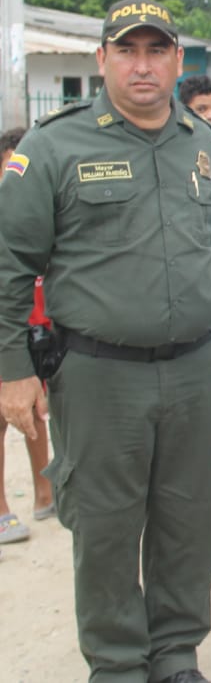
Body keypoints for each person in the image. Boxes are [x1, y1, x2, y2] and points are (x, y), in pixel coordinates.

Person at [0, 0, 211, 682]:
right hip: (100, 376)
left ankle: (176, 654)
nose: (142, 64)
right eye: (127, 50)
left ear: (178, 62)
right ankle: (120, 664)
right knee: (104, 530)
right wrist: (13, 369)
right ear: (101, 60)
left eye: (157, 50)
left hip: (192, 371)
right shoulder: (52, 146)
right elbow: (11, 264)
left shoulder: (205, 143)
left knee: (188, 523)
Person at [0, 128, 55, 545]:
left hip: (36, 329)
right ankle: (1, 510)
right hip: (6, 330)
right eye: (13, 165)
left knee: (36, 415)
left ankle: (44, 492)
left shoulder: (43, 215)